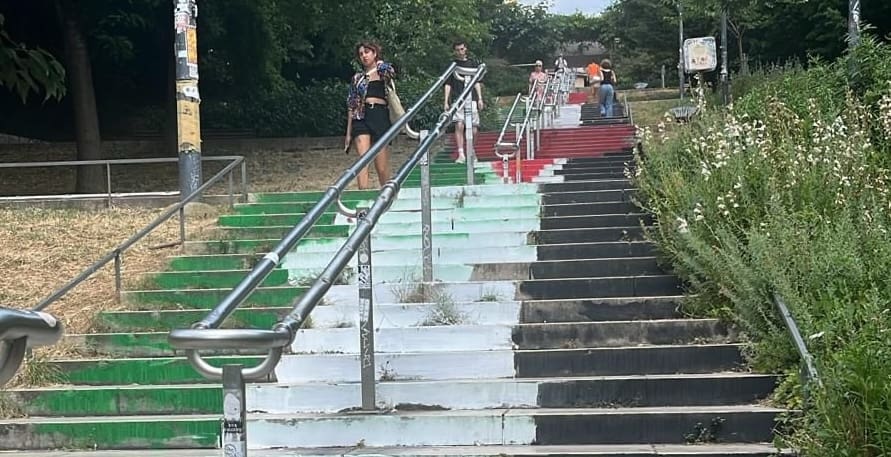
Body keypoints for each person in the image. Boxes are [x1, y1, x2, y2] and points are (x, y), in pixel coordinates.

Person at [345, 41, 395, 189]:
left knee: (381, 166)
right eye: (361, 54)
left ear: (374, 53)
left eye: (367, 52)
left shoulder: (382, 71)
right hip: (361, 117)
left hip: (379, 115)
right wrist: (348, 133)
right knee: (363, 161)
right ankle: (362, 199)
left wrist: (379, 63)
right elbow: (351, 104)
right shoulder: (357, 78)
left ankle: (387, 195)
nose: (364, 56)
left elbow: (392, 72)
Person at [444, 39, 484, 164]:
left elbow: (477, 81)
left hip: (471, 98)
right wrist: (446, 101)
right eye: (457, 50)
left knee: (474, 128)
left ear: (465, 49)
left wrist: (480, 98)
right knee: (459, 125)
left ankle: (471, 150)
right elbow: (448, 84)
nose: (460, 52)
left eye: (462, 49)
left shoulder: (472, 63)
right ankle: (461, 153)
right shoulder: (453, 65)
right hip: (458, 99)